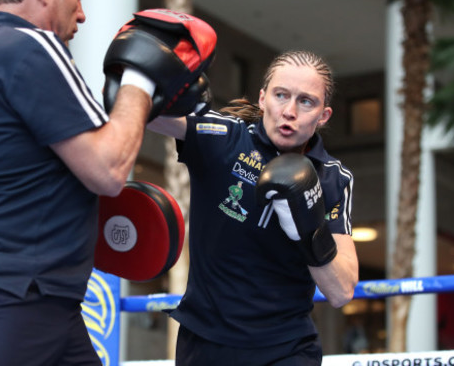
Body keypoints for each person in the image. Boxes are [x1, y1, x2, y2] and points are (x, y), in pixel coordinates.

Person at [0, 0, 212, 365]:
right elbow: (108, 169)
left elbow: (21, 176)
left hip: (31, 296)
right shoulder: (31, 45)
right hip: (7, 294)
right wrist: (139, 79)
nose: (82, 14)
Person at [148, 50, 359, 365]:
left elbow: (341, 291)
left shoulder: (331, 178)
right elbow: (142, 113)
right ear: (262, 99)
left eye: (306, 101)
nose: (289, 111)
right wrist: (153, 73)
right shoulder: (226, 138)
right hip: (206, 344)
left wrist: (308, 230)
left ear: (323, 115)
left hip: (286, 348)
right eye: (280, 95)